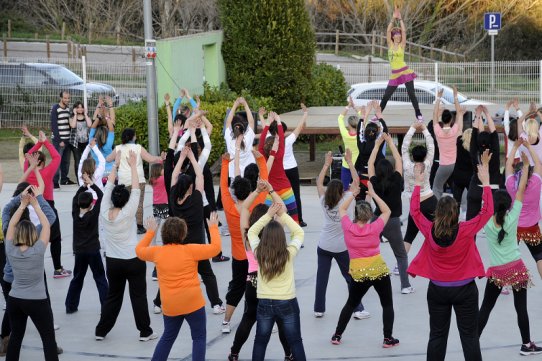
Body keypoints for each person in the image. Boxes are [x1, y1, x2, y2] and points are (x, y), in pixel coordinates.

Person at [407, 156, 493, 361]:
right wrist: (486, 183)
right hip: (465, 291)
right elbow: (487, 211)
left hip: (438, 290)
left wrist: (418, 184)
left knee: (437, 336)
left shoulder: (429, 229)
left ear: (437, 213)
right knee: (469, 338)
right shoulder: (465, 230)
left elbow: (414, 211)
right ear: (456, 214)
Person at [479, 151, 542, 356]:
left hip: (496, 272)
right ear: (508, 207)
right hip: (516, 269)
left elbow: (486, 194)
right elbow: (521, 189)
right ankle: (526, 344)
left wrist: (486, 169)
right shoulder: (513, 216)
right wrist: (524, 167)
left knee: (486, 308)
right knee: (520, 308)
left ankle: (472, 340)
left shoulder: (487, 222)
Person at [135, 212, 221, 361]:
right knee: (199, 338)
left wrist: (150, 232)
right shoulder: (191, 250)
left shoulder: (157, 252)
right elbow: (215, 248)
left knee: (168, 338)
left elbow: (139, 251)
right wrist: (213, 228)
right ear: (183, 234)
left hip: (171, 304)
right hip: (193, 302)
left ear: (163, 234)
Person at [228, 180, 293, 361]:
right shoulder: (275, 232)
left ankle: (234, 352)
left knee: (248, 319)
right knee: (280, 322)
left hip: (253, 282)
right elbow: (283, 209)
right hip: (273, 283)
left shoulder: (248, 234)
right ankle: (288, 354)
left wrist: (257, 191)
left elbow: (245, 208)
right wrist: (270, 190)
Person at [95, 151, 156, 342]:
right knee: (138, 297)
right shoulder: (129, 211)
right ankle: (145, 332)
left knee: (113, 296)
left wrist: (116, 165)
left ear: (113, 198)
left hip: (113, 262)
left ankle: (101, 331)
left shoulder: (104, 210)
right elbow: (137, 189)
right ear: (125, 200)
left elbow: (109, 185)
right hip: (133, 259)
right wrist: (132, 166)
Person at [331, 181, 398, 348]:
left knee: (351, 303)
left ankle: (337, 335)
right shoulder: (375, 228)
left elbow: (342, 209)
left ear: (356, 215)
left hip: (359, 273)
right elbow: (387, 210)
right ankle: (387, 338)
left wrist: (352, 195)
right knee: (387, 304)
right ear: (369, 216)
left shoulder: (348, 227)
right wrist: (373, 194)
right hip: (378, 270)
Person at [4, 187, 60, 361]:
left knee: (16, 338)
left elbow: (11, 224)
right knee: (48, 339)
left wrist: (22, 205)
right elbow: (46, 224)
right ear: (33, 235)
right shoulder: (38, 249)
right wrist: (36, 205)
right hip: (37, 301)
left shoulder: (10, 248)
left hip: (15, 299)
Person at [168, 145, 225, 314]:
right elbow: (200, 175)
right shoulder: (197, 200)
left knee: (176, 274)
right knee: (207, 275)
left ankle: (159, 302)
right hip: (197, 247)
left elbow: (173, 176)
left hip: (179, 247)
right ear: (191, 187)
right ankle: (215, 304)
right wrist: (192, 158)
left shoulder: (173, 199)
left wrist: (180, 159)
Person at [314, 150, 369, 318]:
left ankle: (318, 309)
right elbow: (357, 181)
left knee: (321, 278)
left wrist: (326, 164)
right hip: (341, 247)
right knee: (350, 278)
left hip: (323, 245)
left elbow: (318, 182)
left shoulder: (324, 200)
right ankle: (358, 309)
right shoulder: (348, 200)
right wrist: (350, 162)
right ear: (341, 191)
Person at [248, 202, 306, 361]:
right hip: (287, 300)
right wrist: (282, 215)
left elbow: (252, 232)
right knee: (295, 341)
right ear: (282, 238)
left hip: (265, 302)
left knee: (260, 341)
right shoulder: (289, 253)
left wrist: (268, 215)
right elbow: (299, 232)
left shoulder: (259, 252)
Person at [219, 151, 269, 334]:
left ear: (235, 193)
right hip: (256, 255)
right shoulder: (256, 205)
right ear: (249, 191)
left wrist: (225, 163)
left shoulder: (228, 206)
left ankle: (226, 321)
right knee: (262, 287)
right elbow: (265, 180)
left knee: (237, 287)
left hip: (238, 256)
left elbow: (223, 187)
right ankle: (266, 321)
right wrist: (261, 159)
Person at [368, 133, 413, 294]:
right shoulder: (396, 180)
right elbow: (399, 160)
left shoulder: (374, 181)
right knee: (401, 255)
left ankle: (364, 279)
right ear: (391, 170)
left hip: (377, 219)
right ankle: (405, 286)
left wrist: (377, 145)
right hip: (393, 221)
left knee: (367, 251)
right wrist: (390, 142)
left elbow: (370, 163)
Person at [25, 131, 71, 278]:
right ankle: (57, 269)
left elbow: (28, 157)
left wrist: (38, 144)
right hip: (47, 207)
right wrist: (45, 142)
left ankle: (29, 267)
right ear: (43, 163)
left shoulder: (27, 169)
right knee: (55, 238)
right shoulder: (48, 172)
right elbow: (57, 156)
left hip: (30, 206)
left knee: (31, 238)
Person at [65, 173, 108, 314]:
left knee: (77, 277)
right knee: (100, 278)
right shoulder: (93, 214)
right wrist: (91, 184)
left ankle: (70, 305)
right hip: (93, 250)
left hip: (79, 251)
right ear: (91, 205)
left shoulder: (75, 214)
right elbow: (101, 196)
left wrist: (83, 187)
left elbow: (73, 199)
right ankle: (106, 307)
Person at [107, 128, 162, 234]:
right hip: (138, 179)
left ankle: (125, 224)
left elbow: (108, 159)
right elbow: (150, 159)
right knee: (139, 203)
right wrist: (160, 158)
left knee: (124, 202)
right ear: (133, 137)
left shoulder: (118, 148)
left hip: (124, 180)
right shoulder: (138, 148)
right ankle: (139, 226)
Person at [266, 104, 308, 226]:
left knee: (274, 195)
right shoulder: (286, 141)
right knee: (295, 195)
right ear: (282, 131)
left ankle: (272, 220)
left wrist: (266, 119)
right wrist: (305, 113)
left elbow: (265, 129)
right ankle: (299, 219)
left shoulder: (269, 141)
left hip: (278, 171)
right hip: (292, 169)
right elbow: (299, 127)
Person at [505, 140, 542, 279]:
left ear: (516, 173)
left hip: (514, 226)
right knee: (539, 256)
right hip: (532, 228)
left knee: (509, 257)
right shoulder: (536, 182)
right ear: (530, 172)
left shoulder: (510, 184)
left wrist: (514, 147)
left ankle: (505, 283)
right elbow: (538, 163)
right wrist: (528, 147)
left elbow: (508, 164)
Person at [380, 5, 422, 120]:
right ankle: (378, 114)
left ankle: (418, 113)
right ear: (393, 37)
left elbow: (404, 31)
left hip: (405, 71)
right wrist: (393, 19)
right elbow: (388, 30)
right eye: (396, 34)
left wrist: (400, 19)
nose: (398, 35)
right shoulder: (390, 45)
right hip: (395, 73)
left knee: (411, 94)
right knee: (386, 95)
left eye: (399, 34)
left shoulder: (402, 46)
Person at [401, 121, 436, 253]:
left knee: (409, 235)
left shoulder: (407, 166)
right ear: (425, 155)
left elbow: (404, 147)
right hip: (429, 200)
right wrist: (425, 129)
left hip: (414, 203)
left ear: (412, 156)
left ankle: (400, 265)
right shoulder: (427, 164)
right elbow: (431, 145)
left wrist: (412, 128)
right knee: (439, 230)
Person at [260, 112, 299, 222]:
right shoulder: (279, 154)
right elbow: (281, 138)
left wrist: (267, 123)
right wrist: (278, 121)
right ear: (276, 147)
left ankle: (266, 237)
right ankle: (296, 237)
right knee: (294, 216)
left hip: (269, 191)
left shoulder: (263, 157)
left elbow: (262, 140)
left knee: (266, 218)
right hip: (285, 188)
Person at [466, 105, 500, 221]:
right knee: (496, 223)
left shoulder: (475, 152)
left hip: (476, 188)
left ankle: (470, 239)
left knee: (470, 222)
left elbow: (474, 134)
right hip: (493, 188)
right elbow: (494, 133)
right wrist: (487, 114)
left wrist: (478, 115)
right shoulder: (494, 151)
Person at [432, 86, 464, 199]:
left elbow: (434, 115)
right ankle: (458, 207)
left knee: (436, 188)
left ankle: (435, 211)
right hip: (455, 164)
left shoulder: (438, 131)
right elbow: (459, 112)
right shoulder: (455, 130)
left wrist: (438, 98)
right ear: (451, 119)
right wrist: (455, 95)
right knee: (457, 187)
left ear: (442, 119)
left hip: (444, 165)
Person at [51, 90, 76, 187]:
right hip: (59, 141)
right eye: (65, 98)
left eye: (68, 98)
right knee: (57, 161)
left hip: (67, 139)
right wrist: (59, 140)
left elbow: (69, 124)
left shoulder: (68, 109)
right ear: (61, 98)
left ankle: (64, 179)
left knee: (66, 162)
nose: (67, 100)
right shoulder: (55, 108)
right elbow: (54, 125)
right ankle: (55, 181)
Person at [337, 97, 362, 190]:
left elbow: (340, 118)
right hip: (358, 164)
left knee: (344, 188)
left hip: (347, 163)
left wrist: (348, 106)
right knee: (359, 187)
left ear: (348, 125)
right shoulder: (361, 134)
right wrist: (355, 106)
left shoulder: (345, 134)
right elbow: (363, 117)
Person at [452, 129, 474, 213]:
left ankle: (454, 220)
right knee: (472, 200)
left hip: (458, 176)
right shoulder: (474, 147)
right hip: (470, 177)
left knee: (456, 201)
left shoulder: (459, 142)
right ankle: (470, 218)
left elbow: (459, 134)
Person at [69, 100, 92, 177]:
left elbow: (89, 125)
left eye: (82, 107)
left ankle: (88, 177)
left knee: (88, 160)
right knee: (78, 161)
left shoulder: (86, 116)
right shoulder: (72, 117)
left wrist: (85, 114)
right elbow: (73, 126)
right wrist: (75, 114)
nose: (80, 109)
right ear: (75, 108)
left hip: (86, 142)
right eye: (78, 107)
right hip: (76, 143)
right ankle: (79, 179)